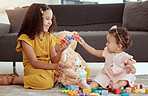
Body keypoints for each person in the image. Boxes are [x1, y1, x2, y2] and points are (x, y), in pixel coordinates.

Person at [0, 3, 71, 89]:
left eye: (51, 19)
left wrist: (60, 51)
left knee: (75, 72)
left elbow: (54, 60)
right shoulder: (25, 38)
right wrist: (54, 67)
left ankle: (51, 78)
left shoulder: (49, 37)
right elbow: (34, 63)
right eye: (47, 19)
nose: (50, 22)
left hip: (47, 68)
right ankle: (14, 79)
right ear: (36, 20)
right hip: (33, 68)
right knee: (47, 83)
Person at [78, 25, 136, 91]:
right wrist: (83, 44)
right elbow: (94, 51)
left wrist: (131, 69)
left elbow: (133, 69)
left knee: (126, 77)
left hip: (119, 76)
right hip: (107, 75)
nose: (106, 44)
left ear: (118, 47)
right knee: (98, 79)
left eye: (108, 42)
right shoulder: (106, 52)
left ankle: (117, 85)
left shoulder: (125, 56)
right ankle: (89, 86)